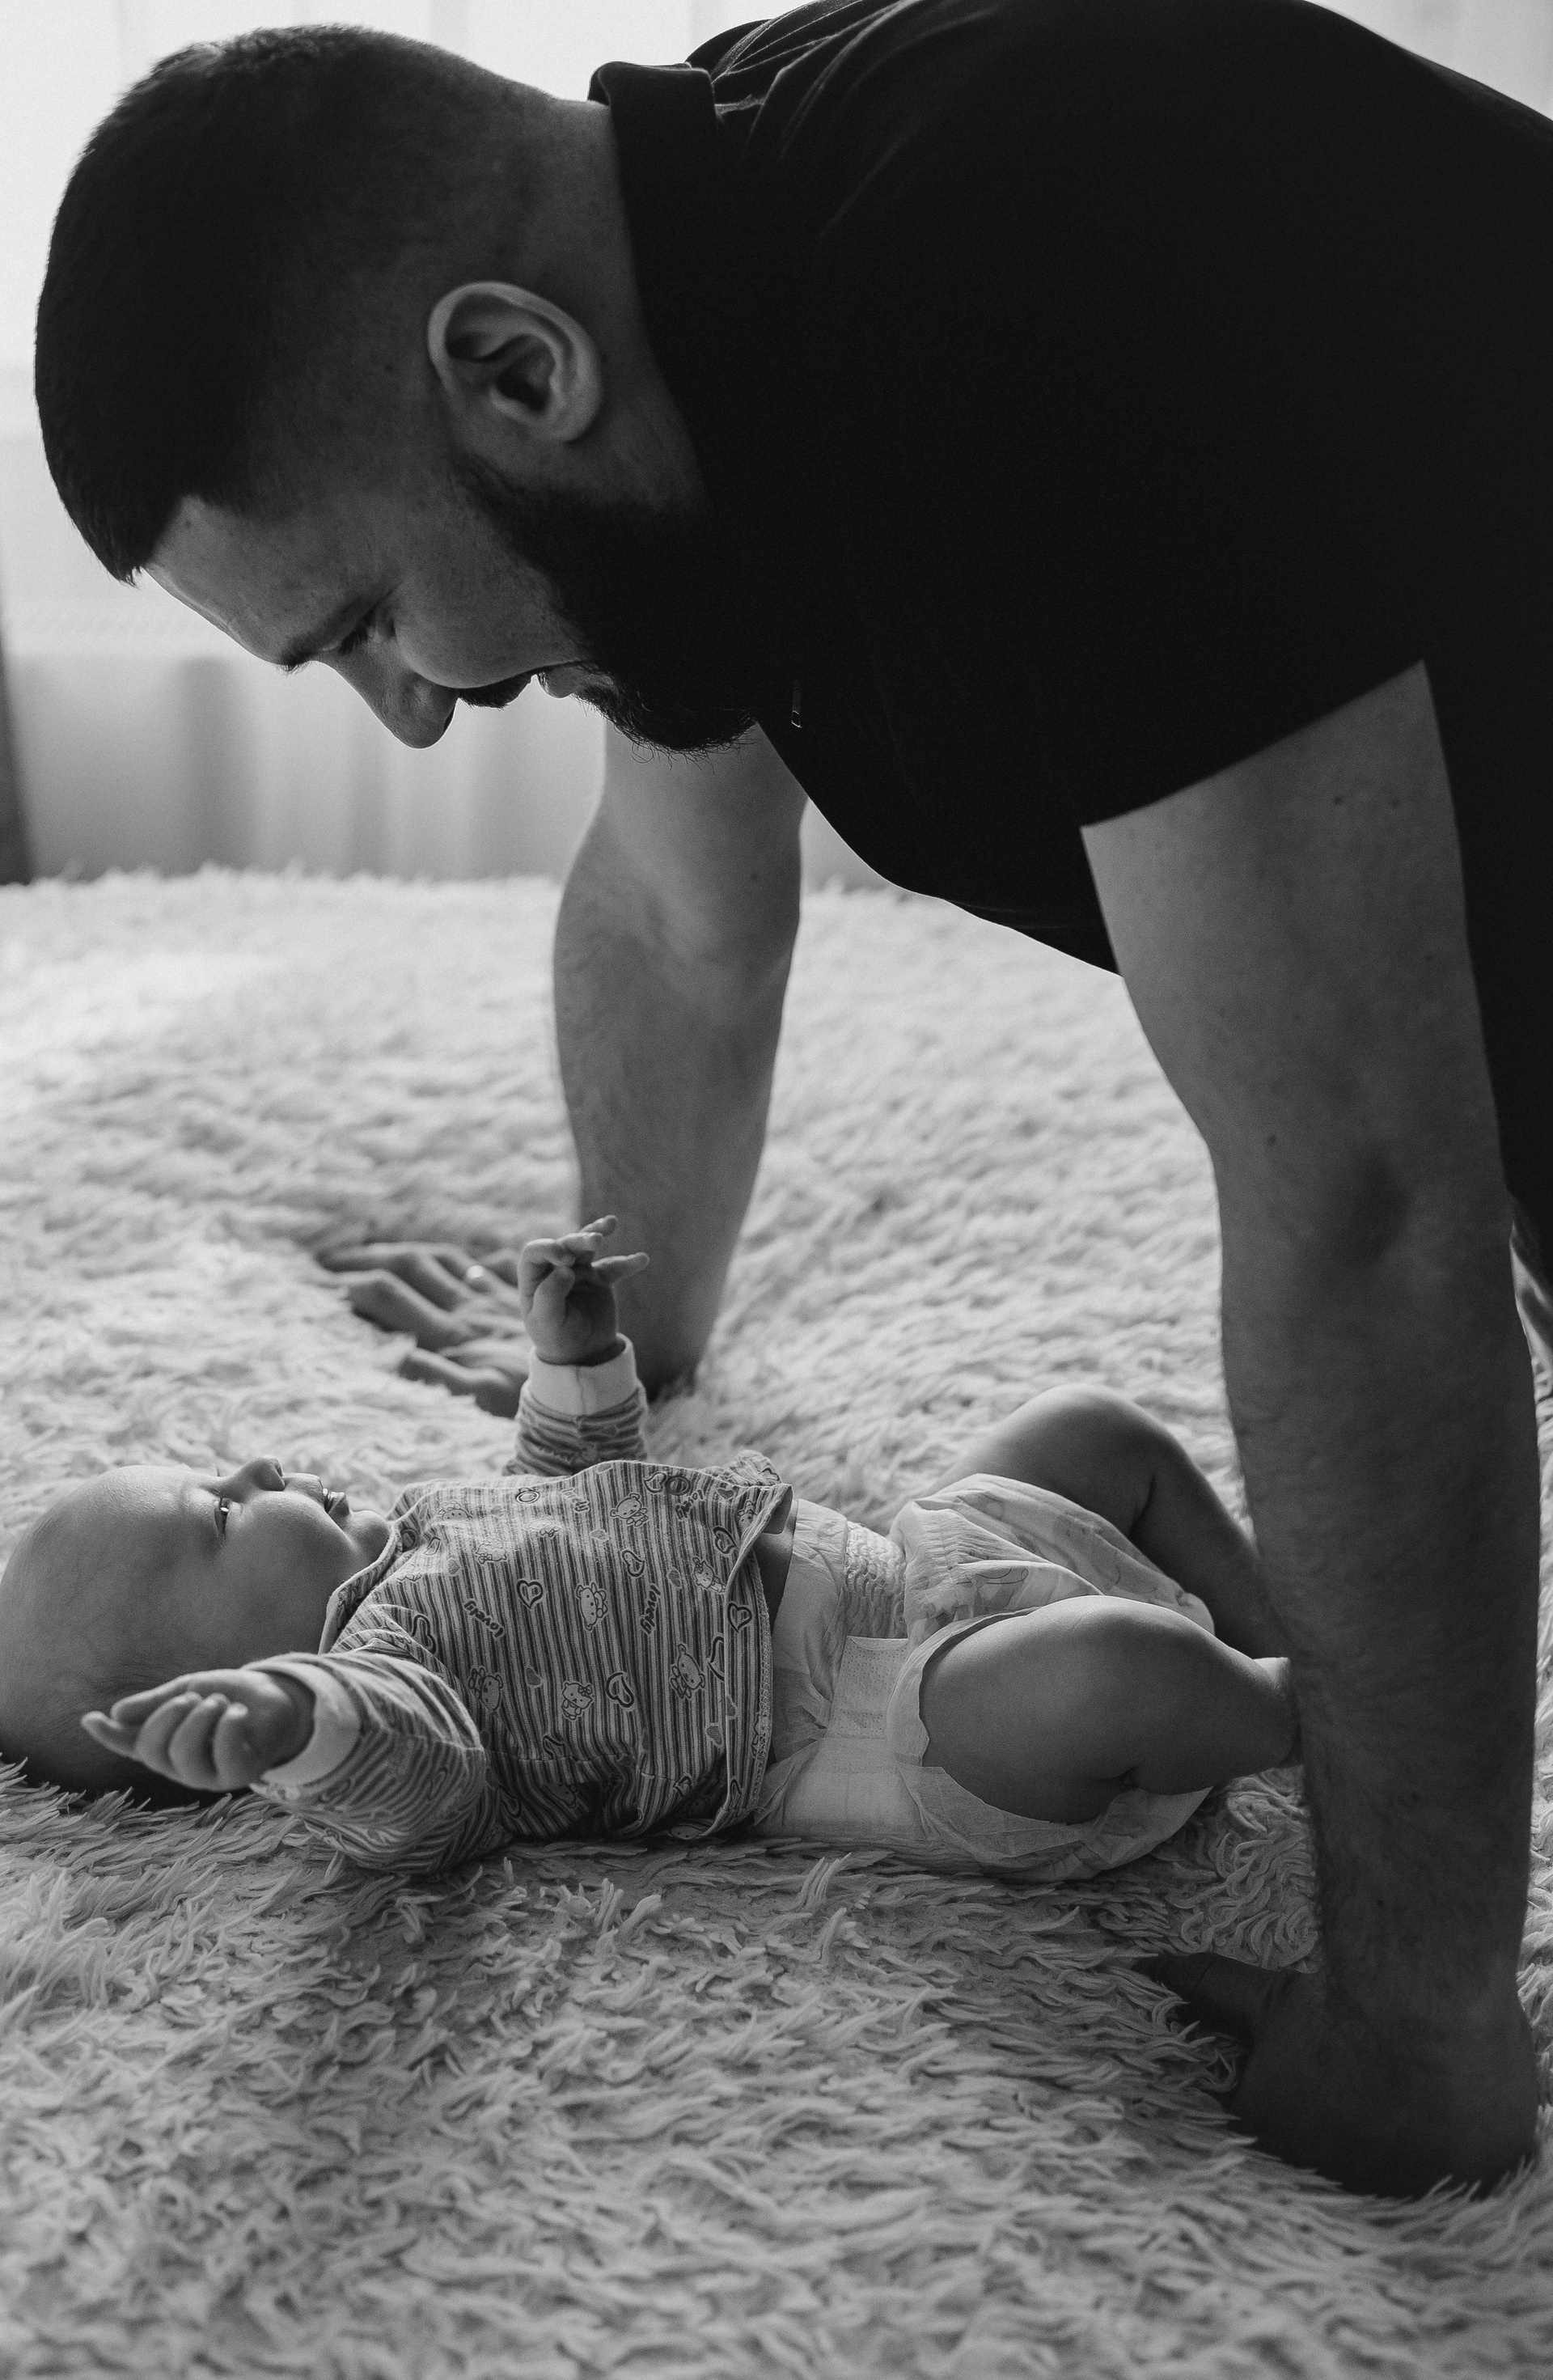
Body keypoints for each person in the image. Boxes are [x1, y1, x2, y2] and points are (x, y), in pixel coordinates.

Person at [30, 0, 1547, 2195]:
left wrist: (1413, 2021)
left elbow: (1371, 1206)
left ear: (514, 367)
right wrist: (628, 1330)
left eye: (362, 616)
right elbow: (678, 910)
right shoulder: (699, 305)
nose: (413, 714)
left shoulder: (1025, 303)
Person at [0, 1222, 1297, 1901]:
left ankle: (1284, 1623)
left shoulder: (423, 1533)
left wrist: (574, 1360)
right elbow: (417, 1795)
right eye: (221, 1516)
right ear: (230, 1682)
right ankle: (1313, 1713)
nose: (254, 1469)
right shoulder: (384, 1683)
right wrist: (299, 1724)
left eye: (221, 1469)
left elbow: (578, 1491)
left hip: (907, 1563)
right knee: (1113, 1667)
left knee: (1091, 1428)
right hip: (888, 1723)